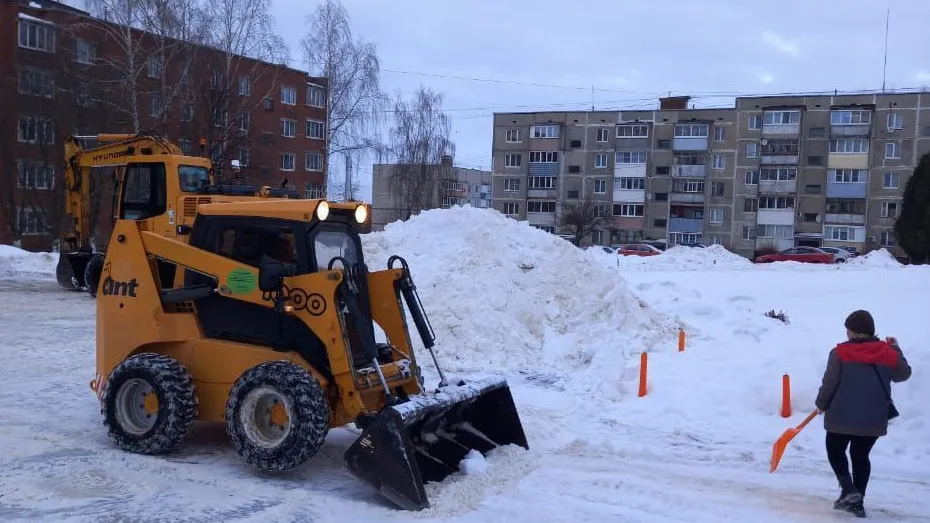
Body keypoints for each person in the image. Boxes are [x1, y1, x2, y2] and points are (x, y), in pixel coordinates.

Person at [814, 309, 912, 517]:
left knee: (835, 449)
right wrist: (896, 348)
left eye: (848, 329)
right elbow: (902, 375)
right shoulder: (888, 353)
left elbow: (830, 383)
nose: (846, 333)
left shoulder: (840, 353)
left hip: (841, 415)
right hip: (873, 418)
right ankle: (856, 502)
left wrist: (821, 404)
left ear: (854, 331)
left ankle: (848, 489)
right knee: (860, 455)